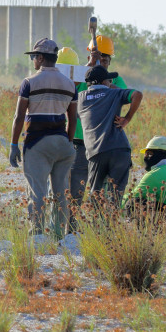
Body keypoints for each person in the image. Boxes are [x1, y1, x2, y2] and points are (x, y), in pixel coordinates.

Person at [8, 38, 77, 234]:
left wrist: (14, 144)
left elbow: (19, 116)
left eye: (33, 57)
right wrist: (68, 142)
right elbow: (73, 119)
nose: (33, 61)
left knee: (38, 191)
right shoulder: (69, 84)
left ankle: (37, 233)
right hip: (62, 143)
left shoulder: (29, 82)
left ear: (40, 58)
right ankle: (59, 233)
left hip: (37, 143)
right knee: (61, 193)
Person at [69, 35, 128, 207]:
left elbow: (124, 96)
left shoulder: (116, 80)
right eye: (98, 59)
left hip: (105, 145)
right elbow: (69, 89)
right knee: (75, 190)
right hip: (80, 142)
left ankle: (102, 221)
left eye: (105, 60)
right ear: (90, 57)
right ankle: (71, 223)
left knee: (104, 192)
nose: (101, 63)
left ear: (110, 61)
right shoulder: (80, 76)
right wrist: (89, 68)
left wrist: (104, 83)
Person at [76, 65, 143, 201]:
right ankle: (113, 214)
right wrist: (127, 118)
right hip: (119, 149)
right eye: (109, 80)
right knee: (116, 196)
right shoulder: (114, 93)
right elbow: (137, 94)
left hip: (96, 152)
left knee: (96, 196)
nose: (111, 83)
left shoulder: (80, 98)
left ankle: (98, 215)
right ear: (104, 81)